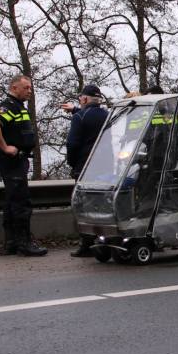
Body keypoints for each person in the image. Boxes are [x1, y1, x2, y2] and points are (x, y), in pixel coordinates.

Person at [0, 75, 48, 256]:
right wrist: (5, 147)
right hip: (12, 161)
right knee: (21, 202)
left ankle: (12, 243)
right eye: (26, 88)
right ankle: (25, 243)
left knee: (12, 201)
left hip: (17, 161)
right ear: (14, 88)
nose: (30, 91)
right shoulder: (10, 106)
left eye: (30, 88)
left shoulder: (19, 107)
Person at [61, 84, 109, 257]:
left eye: (81, 98)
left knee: (84, 206)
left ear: (85, 99)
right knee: (102, 205)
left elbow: (73, 143)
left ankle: (87, 243)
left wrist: (72, 163)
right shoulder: (108, 116)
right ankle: (105, 239)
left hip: (85, 168)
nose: (80, 100)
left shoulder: (80, 117)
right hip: (106, 166)